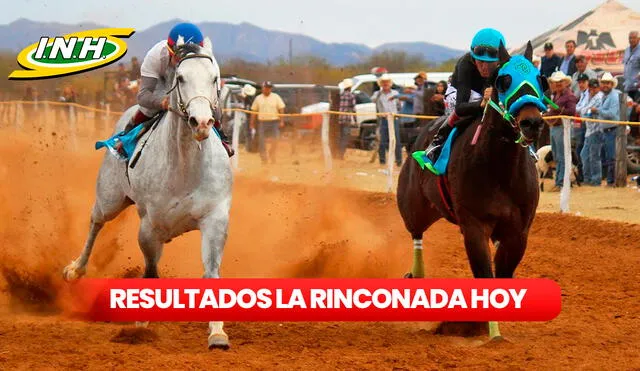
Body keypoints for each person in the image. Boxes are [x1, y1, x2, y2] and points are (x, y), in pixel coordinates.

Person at [114, 22, 234, 157]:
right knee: (148, 109)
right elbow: (143, 96)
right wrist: (162, 102)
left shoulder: (209, 64)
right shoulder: (155, 56)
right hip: (162, 81)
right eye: (178, 58)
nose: (182, 63)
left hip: (190, 82)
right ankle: (127, 137)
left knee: (214, 109)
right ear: (169, 51)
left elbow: (214, 102)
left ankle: (223, 138)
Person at [424, 28, 505, 164]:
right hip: (459, 95)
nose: (484, 67)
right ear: (473, 57)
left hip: (484, 93)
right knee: (470, 108)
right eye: (480, 62)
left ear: (499, 60)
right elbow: (461, 107)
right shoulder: (465, 64)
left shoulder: (504, 64)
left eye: (490, 63)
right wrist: (481, 104)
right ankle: (437, 144)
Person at [544, 71, 577, 192]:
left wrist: (558, 110)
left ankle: (561, 182)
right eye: (556, 82)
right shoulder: (556, 95)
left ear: (565, 83)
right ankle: (559, 180)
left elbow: (572, 112)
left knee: (562, 156)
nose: (557, 84)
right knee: (557, 156)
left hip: (562, 127)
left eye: (560, 82)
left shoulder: (569, 96)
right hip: (555, 126)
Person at [593, 72, 621, 187]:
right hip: (606, 130)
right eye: (603, 83)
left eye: (607, 83)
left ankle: (612, 181)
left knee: (611, 157)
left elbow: (612, 114)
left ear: (612, 84)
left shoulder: (614, 96)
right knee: (607, 157)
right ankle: (610, 180)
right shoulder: (606, 96)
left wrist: (598, 110)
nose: (605, 85)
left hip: (612, 129)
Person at [623, 31, 640, 101]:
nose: (631, 40)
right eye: (630, 38)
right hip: (627, 86)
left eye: (634, 38)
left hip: (637, 88)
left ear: (639, 39)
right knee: (626, 109)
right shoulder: (626, 50)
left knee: (635, 110)